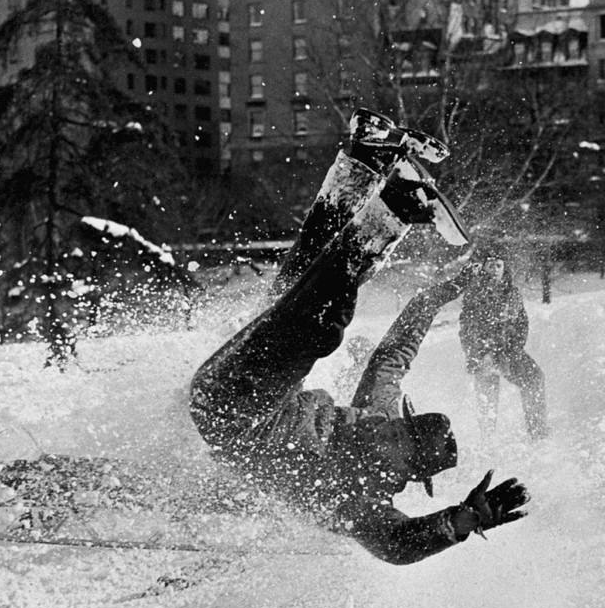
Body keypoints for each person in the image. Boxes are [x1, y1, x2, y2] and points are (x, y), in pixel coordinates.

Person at [188, 108, 530, 565]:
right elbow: (394, 355)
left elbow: (397, 544)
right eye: (398, 422)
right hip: (265, 384)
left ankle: (394, 210)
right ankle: (361, 161)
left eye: (398, 436)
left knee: (316, 329)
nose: (386, 423)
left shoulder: (359, 495)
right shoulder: (381, 419)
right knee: (295, 292)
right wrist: (441, 293)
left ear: (406, 467)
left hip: (232, 415)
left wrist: (456, 523)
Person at [458, 243, 549, 438]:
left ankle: (538, 433)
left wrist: (514, 350)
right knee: (487, 401)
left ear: (505, 267)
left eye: (499, 265)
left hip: (509, 351)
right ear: (483, 267)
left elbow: (522, 324)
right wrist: (478, 355)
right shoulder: (474, 293)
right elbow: (466, 329)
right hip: (483, 352)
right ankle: (486, 442)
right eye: (490, 265)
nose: (495, 269)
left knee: (534, 378)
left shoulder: (513, 293)